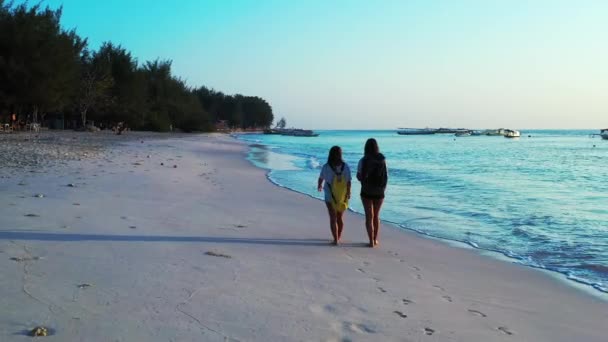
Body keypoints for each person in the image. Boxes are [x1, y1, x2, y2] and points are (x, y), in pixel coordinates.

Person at [317, 146, 352, 245]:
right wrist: (349, 192)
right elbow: (349, 181)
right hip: (342, 195)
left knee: (333, 217)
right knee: (339, 217)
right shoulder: (345, 166)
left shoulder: (326, 166)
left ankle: (336, 239)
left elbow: (321, 178)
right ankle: (339, 236)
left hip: (329, 194)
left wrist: (319, 185)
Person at [357, 138, 388, 248]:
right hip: (379, 191)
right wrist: (383, 188)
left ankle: (370, 241)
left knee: (369, 216)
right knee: (376, 216)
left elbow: (359, 176)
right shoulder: (382, 159)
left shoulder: (363, 160)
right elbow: (385, 176)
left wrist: (364, 180)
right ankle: (375, 239)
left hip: (366, 190)